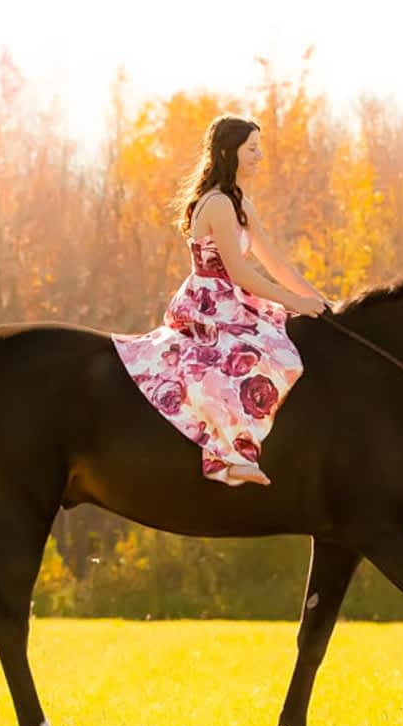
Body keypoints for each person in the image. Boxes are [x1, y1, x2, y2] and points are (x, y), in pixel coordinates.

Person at [113, 115, 331, 485]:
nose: (260, 156)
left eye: (259, 148)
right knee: (250, 360)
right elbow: (240, 272)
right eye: (252, 149)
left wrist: (319, 301)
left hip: (236, 299)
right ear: (230, 152)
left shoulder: (240, 201)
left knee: (283, 353)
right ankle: (227, 454)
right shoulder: (217, 204)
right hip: (212, 301)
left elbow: (273, 260)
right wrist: (293, 304)